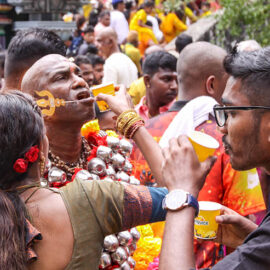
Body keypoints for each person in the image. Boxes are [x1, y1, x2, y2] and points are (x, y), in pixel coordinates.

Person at [130, 42, 265, 268]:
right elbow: (245, 215)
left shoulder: (144, 133)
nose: (224, 126)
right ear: (212, 84)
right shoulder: (227, 140)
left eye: (231, 113)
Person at [0, 90, 168, 269]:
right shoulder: (88, 199)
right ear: (41, 148)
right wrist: (130, 121)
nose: (79, 82)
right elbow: (176, 196)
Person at [135, 50, 177, 121]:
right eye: (167, 79)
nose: (174, 86)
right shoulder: (134, 116)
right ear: (147, 81)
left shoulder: (183, 115)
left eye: (177, 80)